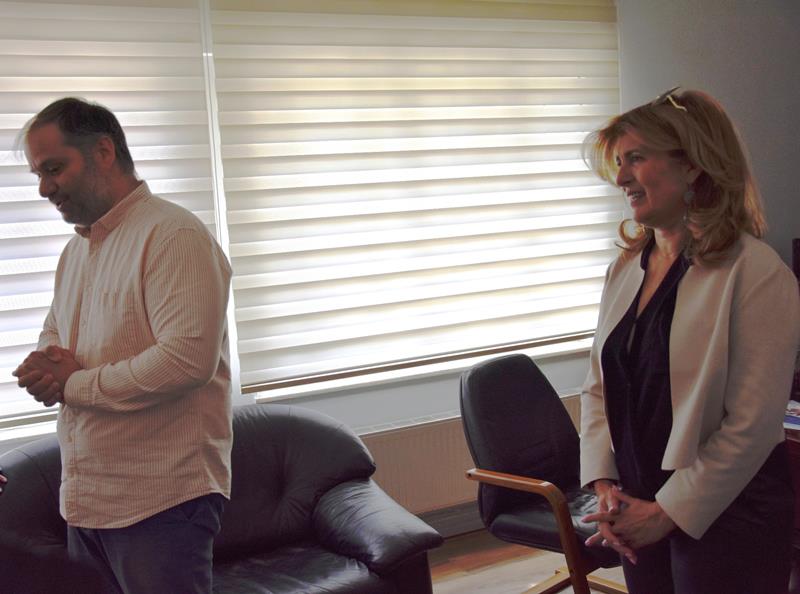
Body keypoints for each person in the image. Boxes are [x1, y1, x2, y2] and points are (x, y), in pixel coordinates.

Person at [578, 87, 800, 594]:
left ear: (693, 166)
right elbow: (598, 387)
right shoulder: (625, 268)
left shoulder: (755, 272)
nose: (621, 177)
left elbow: (752, 424)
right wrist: (604, 482)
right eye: (619, 162)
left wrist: (668, 512)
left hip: (730, 514)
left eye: (636, 158)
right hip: (637, 507)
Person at [11, 97, 233, 594]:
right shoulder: (75, 251)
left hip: (161, 502)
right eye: (38, 175)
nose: (44, 188)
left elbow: (185, 361)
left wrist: (73, 384)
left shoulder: (173, 235)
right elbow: (55, 335)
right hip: (87, 499)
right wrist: (45, 368)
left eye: (54, 169)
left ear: (104, 152)